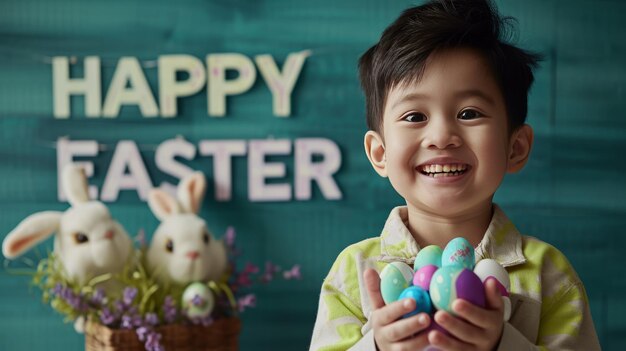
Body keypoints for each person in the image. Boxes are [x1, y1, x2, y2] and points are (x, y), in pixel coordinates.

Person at [309, 0, 601, 350]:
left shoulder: (549, 274)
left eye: (469, 112)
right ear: (380, 153)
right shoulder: (355, 272)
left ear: (516, 147)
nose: (442, 136)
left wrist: (501, 343)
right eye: (415, 116)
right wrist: (377, 346)